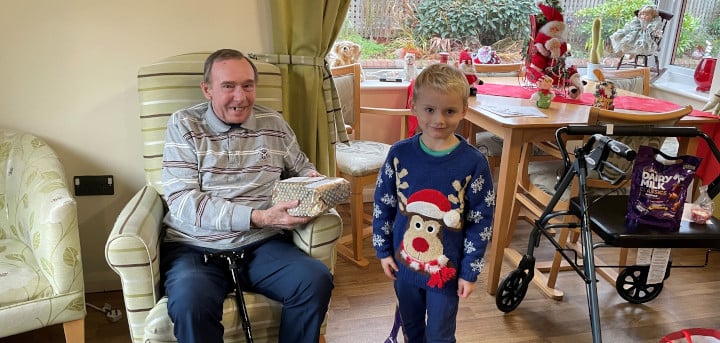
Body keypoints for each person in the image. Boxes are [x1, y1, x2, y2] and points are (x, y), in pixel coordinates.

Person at [160, 48, 333, 343]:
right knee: (191, 302)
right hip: (196, 247)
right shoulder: (184, 125)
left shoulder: (274, 124)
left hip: (262, 245)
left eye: (247, 85)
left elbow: (301, 169)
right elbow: (182, 200)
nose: (240, 97)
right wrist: (259, 217)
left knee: (314, 280)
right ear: (207, 90)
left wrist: (312, 182)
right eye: (228, 86)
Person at [372, 63, 495, 342]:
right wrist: (382, 250)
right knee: (412, 330)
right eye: (430, 110)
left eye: (449, 111)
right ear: (414, 106)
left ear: (464, 109)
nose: (439, 119)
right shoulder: (399, 154)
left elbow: (481, 222)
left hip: (446, 274)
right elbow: (383, 204)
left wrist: (469, 271)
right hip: (404, 270)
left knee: (440, 334)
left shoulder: (474, 163)